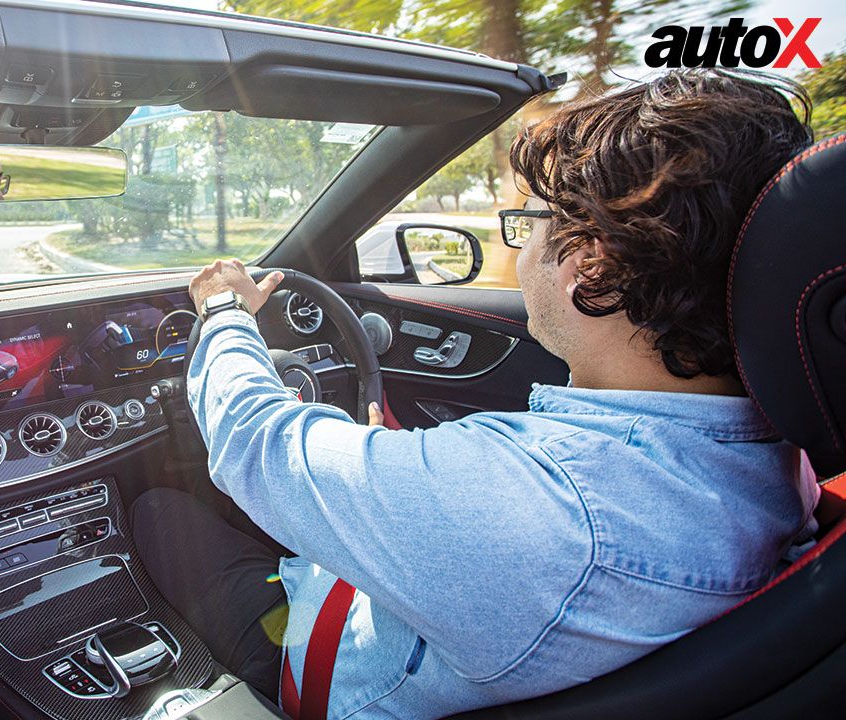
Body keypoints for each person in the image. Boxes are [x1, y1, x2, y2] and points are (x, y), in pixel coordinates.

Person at [131, 69, 820, 719]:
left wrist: (223, 311)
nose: (521, 248)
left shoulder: (534, 506)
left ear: (592, 264)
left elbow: (256, 443)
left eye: (530, 224)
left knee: (159, 510)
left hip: (322, 667)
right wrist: (414, 474)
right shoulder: (783, 464)